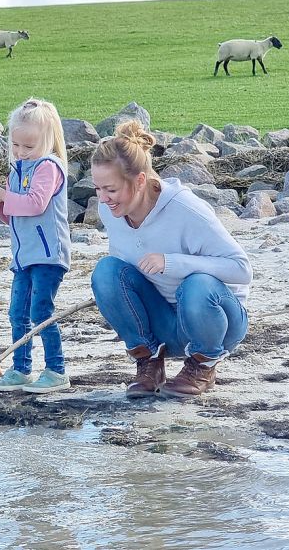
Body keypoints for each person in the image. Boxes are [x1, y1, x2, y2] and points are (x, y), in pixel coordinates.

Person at [89, 121, 252, 398]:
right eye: (98, 189)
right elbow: (124, 271)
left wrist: (173, 262)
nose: (103, 199)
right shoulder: (111, 211)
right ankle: (149, 360)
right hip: (165, 322)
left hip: (218, 321)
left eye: (111, 190)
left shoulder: (186, 209)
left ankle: (203, 364)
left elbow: (241, 269)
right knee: (106, 272)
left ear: (140, 181)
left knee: (197, 283)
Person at [0, 98, 72, 394]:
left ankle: (56, 370)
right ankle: (21, 368)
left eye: (28, 147)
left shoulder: (48, 167)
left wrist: (5, 195)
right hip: (23, 257)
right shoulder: (17, 169)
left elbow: (35, 204)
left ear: (48, 141)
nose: (20, 152)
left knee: (41, 310)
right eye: (16, 145)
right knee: (17, 313)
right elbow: (15, 215)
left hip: (48, 255)